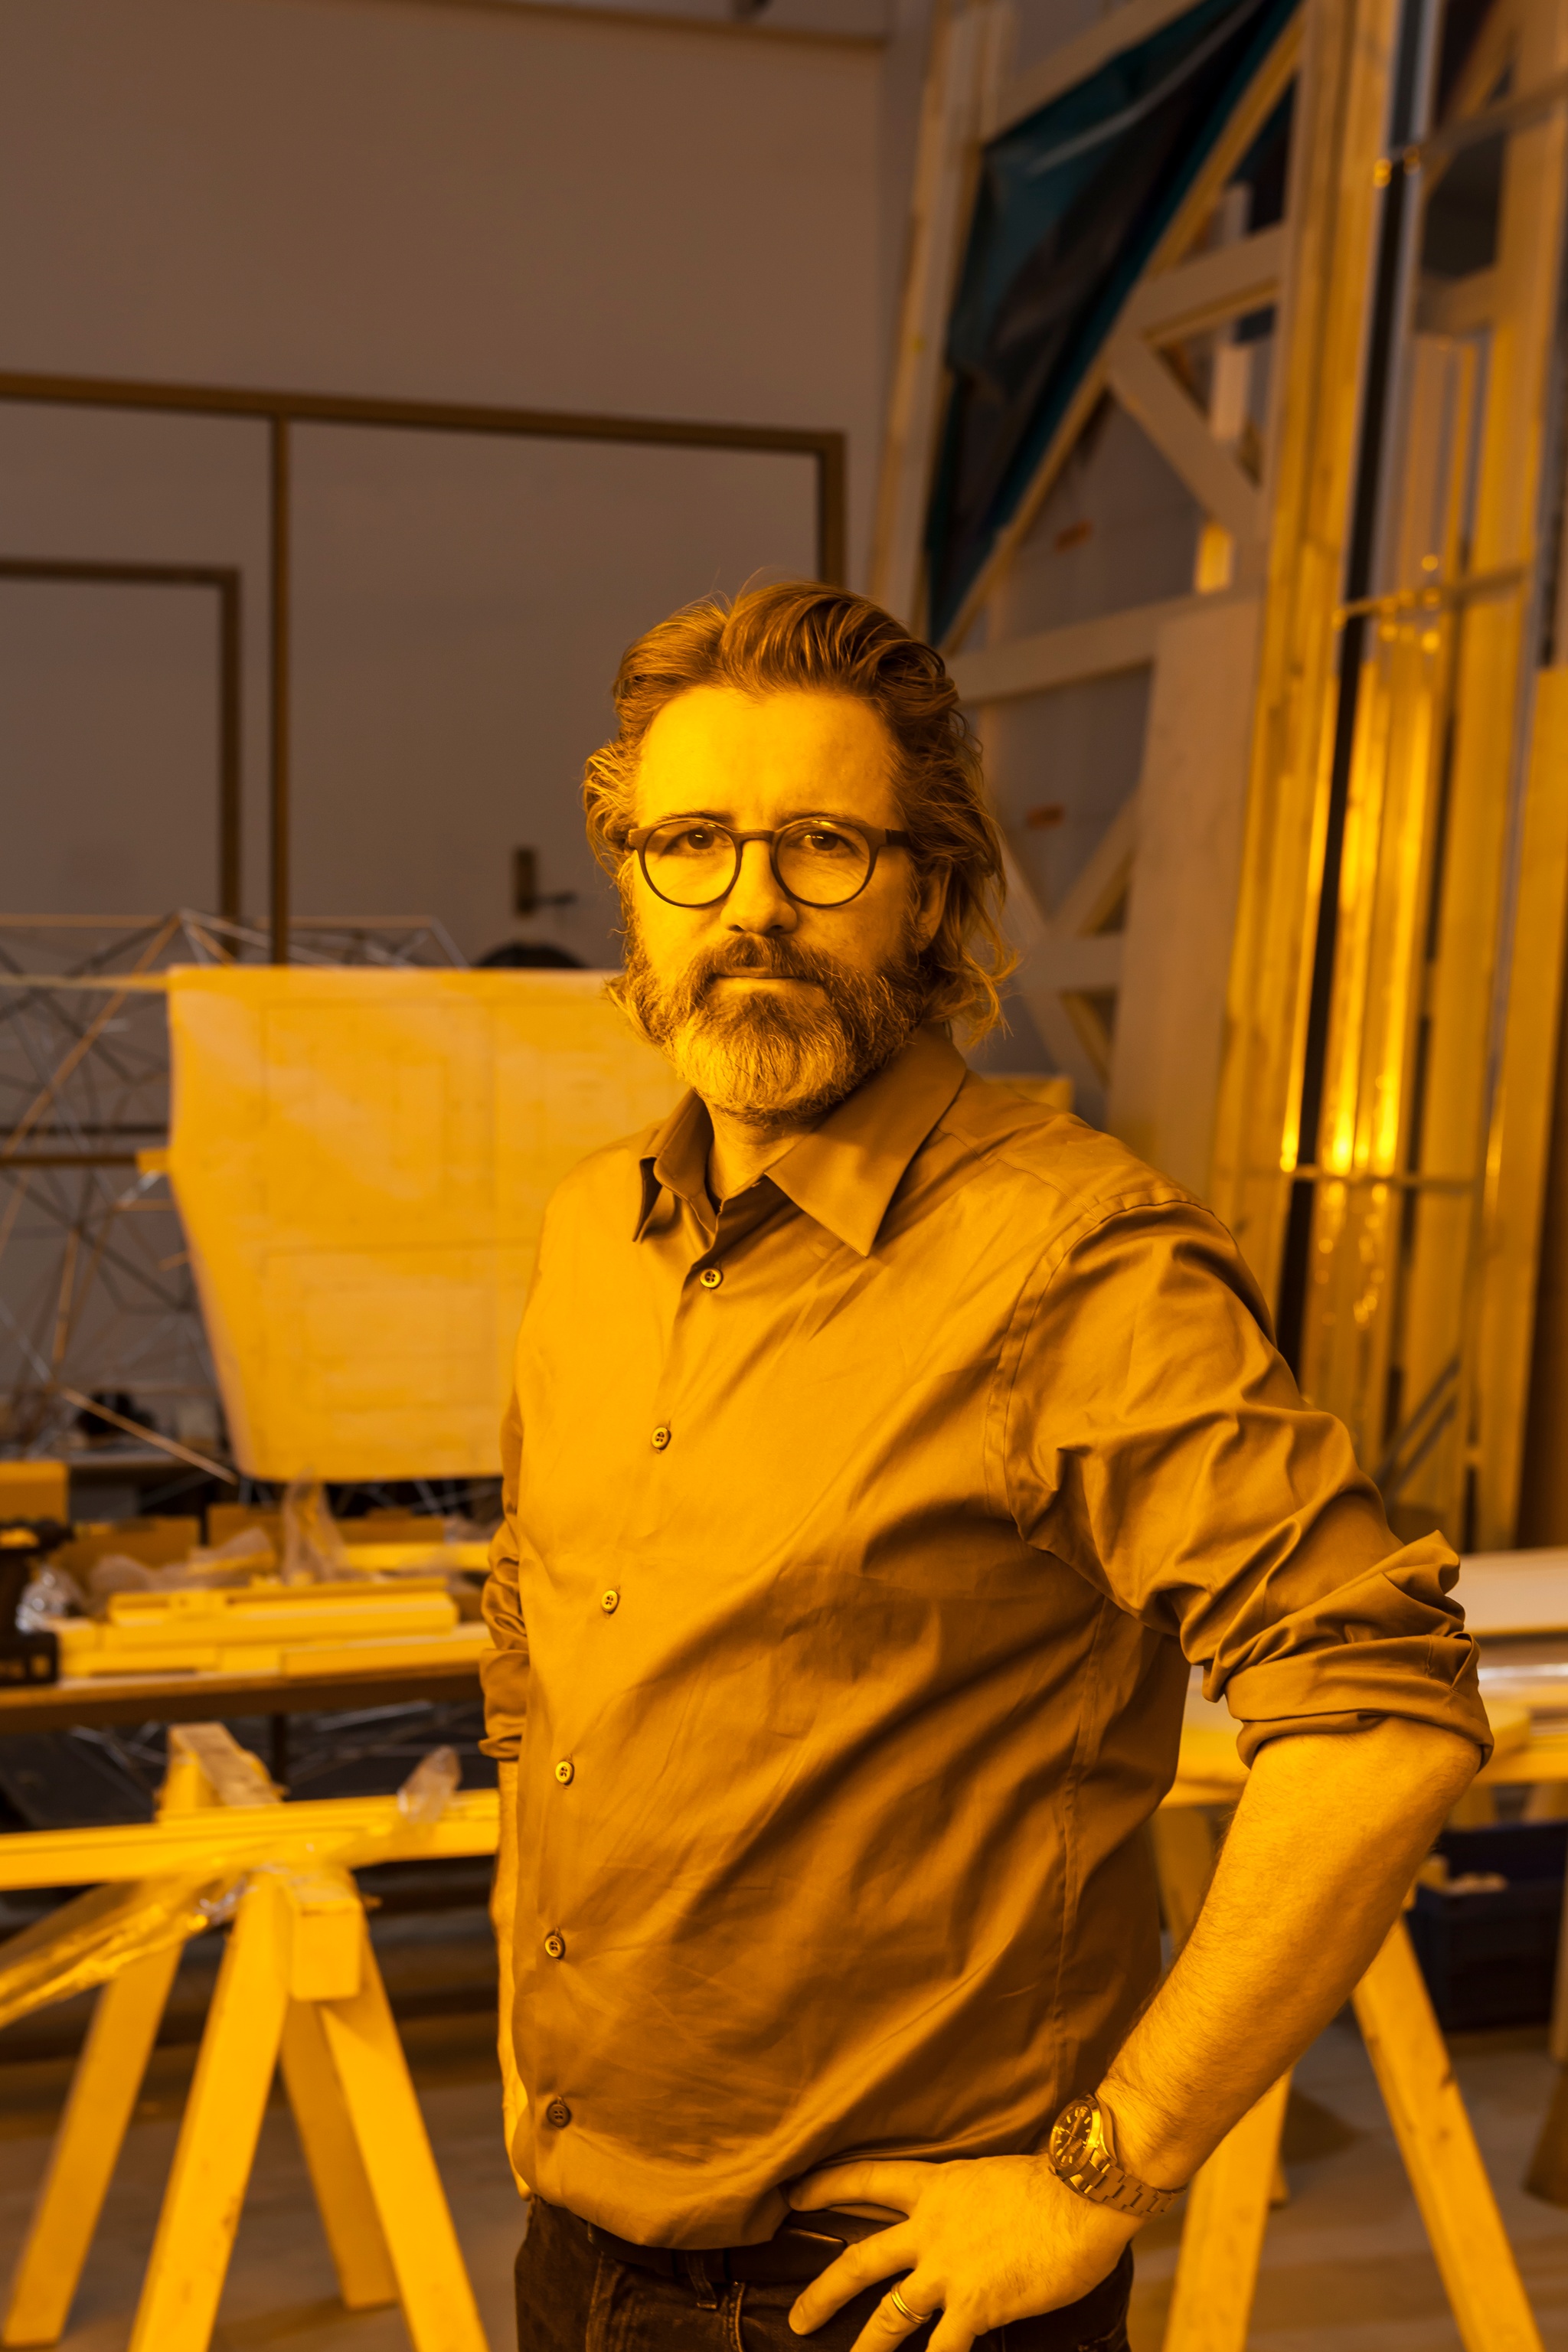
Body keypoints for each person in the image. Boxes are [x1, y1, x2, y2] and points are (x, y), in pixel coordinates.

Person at [482, 582, 1487, 2352]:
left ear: (930, 889)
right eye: (692, 846)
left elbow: (1379, 1716)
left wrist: (1107, 2171)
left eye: (822, 848)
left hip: (884, 2291)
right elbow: (536, 1635)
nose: (752, 911)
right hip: (577, 2249)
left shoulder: (1071, 1261)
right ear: (629, 882)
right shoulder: (594, 1235)